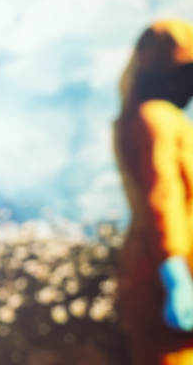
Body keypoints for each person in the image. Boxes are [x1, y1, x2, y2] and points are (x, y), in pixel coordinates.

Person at [116, 19, 193, 365]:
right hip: (165, 273)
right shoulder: (157, 117)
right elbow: (163, 197)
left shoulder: (152, 118)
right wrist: (175, 273)